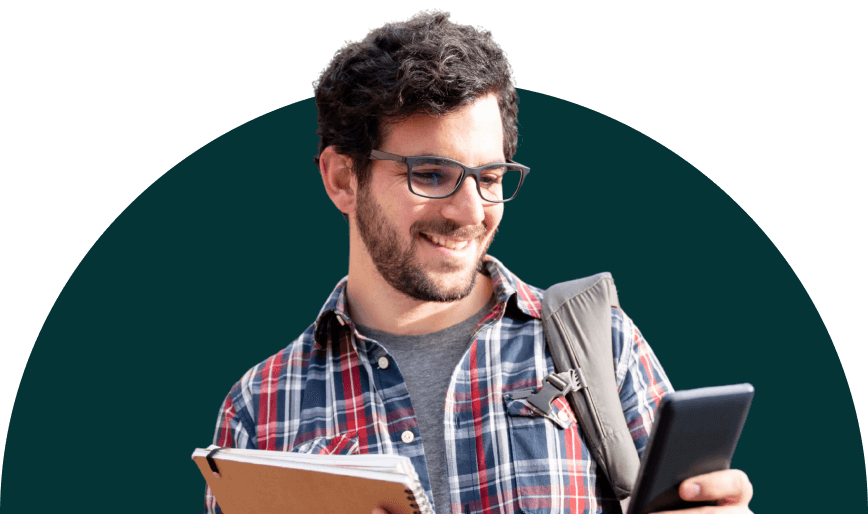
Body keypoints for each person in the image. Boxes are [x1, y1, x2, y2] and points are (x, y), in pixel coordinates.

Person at [204, 10, 753, 514]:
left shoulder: (599, 345)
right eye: (431, 174)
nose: (471, 211)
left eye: (489, 179)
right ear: (344, 179)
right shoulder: (259, 410)